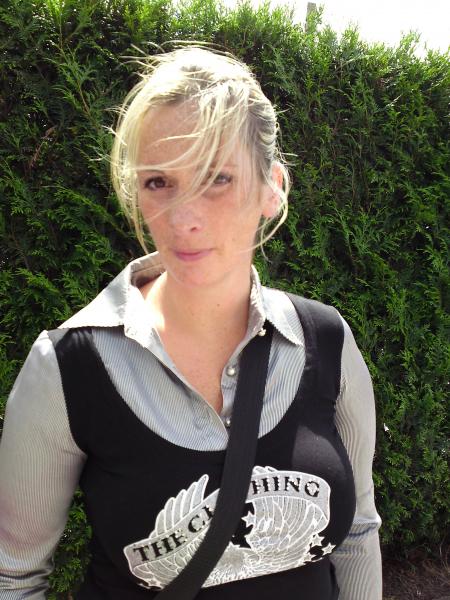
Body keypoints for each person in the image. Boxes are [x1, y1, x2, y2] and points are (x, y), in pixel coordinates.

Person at [0, 46, 382, 599]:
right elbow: (13, 576)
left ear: (272, 188)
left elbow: (356, 534)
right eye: (158, 182)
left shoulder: (325, 340)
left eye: (217, 178)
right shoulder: (68, 369)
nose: (183, 219)